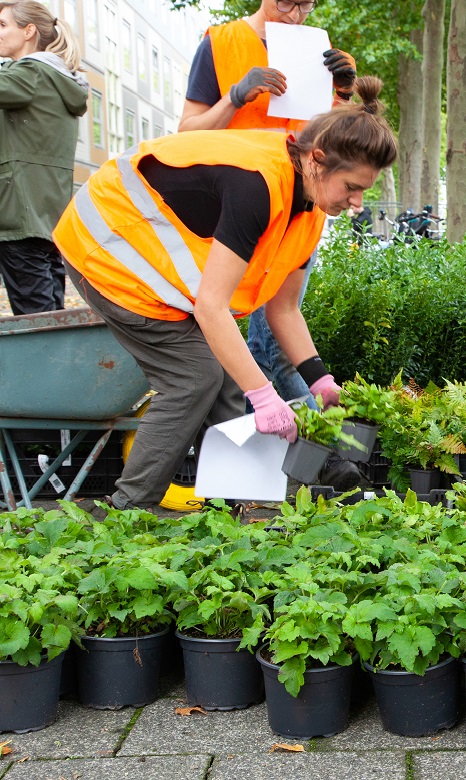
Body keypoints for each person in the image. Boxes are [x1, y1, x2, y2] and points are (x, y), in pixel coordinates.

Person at [52, 78, 398, 511]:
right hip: (106, 248)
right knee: (195, 379)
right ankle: (127, 510)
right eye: (351, 187)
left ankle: (243, 505)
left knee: (235, 379)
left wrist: (320, 379)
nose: (357, 202)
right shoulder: (255, 184)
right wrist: (265, 395)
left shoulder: (310, 207)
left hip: (156, 264)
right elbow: (212, 306)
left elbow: (285, 309)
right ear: (316, 160)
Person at [178, 0, 359, 489]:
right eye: (289, 1)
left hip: (298, 217)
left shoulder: (327, 58)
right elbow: (186, 134)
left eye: (309, 4)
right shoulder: (220, 44)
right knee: (251, 346)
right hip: (236, 217)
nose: (298, 12)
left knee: (276, 336)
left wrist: (346, 94)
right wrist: (236, 97)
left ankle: (291, 464)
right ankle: (303, 461)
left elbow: (348, 148)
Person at [0, 0, 86, 315]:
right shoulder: (56, 78)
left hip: (19, 215)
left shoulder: (29, 74)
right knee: (50, 317)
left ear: (29, 31)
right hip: (49, 217)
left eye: (3, 25)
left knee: (37, 322)